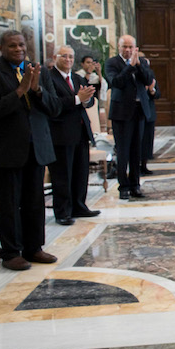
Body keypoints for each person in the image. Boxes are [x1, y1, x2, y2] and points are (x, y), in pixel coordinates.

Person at [0, 30, 62, 271]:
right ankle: (11, 252)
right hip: (5, 152)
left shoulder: (37, 72)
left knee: (34, 201)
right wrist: (20, 91)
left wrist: (36, 90)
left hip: (36, 148)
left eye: (21, 45)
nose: (18, 49)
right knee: (8, 204)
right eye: (12, 46)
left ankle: (34, 248)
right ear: (1, 48)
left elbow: (54, 109)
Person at [45, 46, 99, 225]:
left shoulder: (76, 78)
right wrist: (77, 99)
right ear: (55, 57)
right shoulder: (49, 78)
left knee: (80, 172)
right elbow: (53, 104)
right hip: (60, 134)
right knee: (62, 175)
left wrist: (86, 99)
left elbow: (88, 100)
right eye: (64, 56)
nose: (68, 59)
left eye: (71, 56)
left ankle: (78, 206)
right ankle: (62, 212)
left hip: (80, 132)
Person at [106, 35, 152, 200]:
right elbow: (116, 82)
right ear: (119, 47)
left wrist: (138, 65)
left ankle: (135, 185)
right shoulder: (112, 63)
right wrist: (130, 67)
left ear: (135, 48)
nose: (128, 50)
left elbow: (148, 80)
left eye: (130, 47)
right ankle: (123, 186)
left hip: (139, 111)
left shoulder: (142, 62)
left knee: (136, 152)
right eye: (125, 47)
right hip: (121, 113)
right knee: (123, 151)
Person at [139, 57, 158, 175]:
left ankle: (145, 164)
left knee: (147, 140)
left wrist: (152, 90)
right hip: (136, 112)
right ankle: (136, 166)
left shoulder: (150, 76)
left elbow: (157, 94)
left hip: (149, 112)